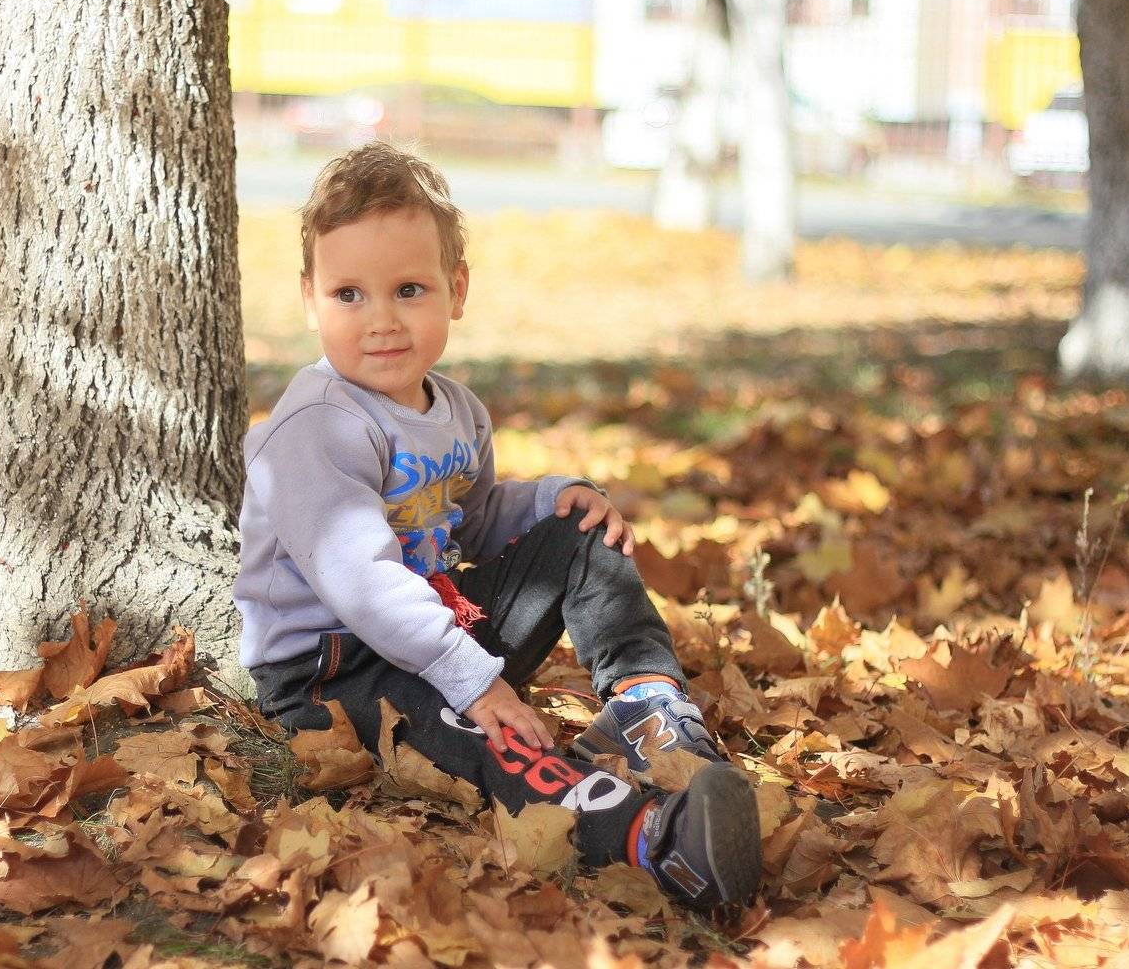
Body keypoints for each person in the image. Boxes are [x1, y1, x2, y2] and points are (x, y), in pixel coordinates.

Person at [234, 141, 761, 909]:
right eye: (349, 295)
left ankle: (647, 713)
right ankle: (658, 841)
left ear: (456, 290)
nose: (381, 320)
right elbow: (361, 583)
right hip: (335, 674)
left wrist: (554, 500)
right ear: (311, 299)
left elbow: (474, 524)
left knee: (582, 532)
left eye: (408, 290)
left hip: (437, 626)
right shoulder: (317, 425)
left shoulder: (457, 410)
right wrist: (474, 679)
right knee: (495, 740)